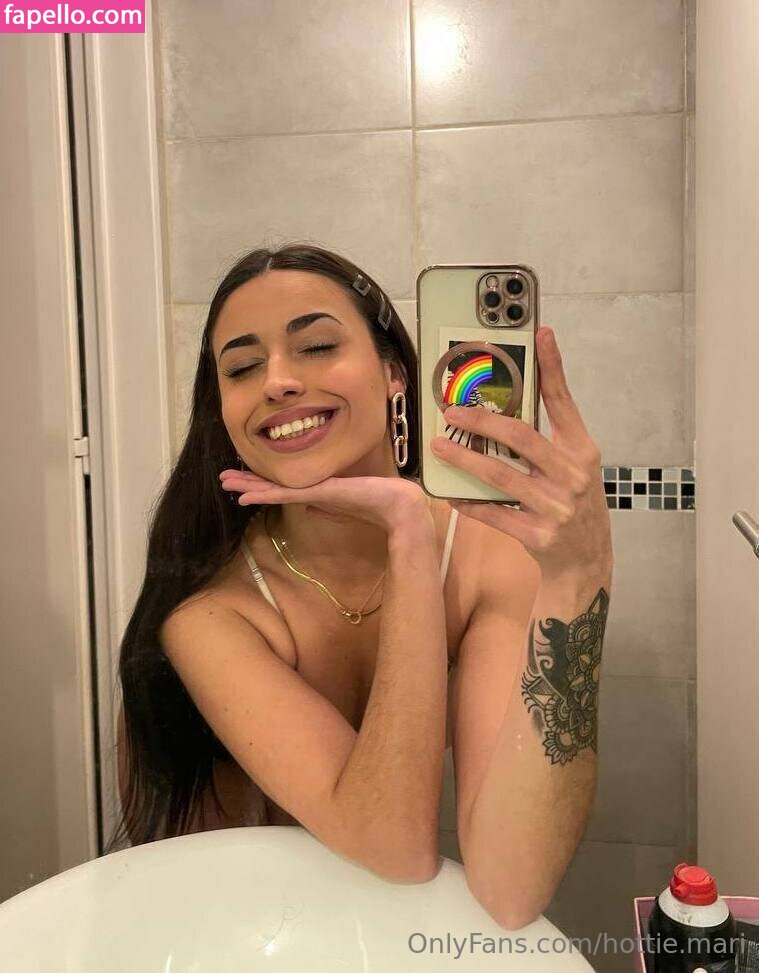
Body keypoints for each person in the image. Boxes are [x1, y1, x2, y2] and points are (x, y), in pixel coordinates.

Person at [108, 243, 613, 928]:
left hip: (370, 926)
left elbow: (512, 886)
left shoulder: (489, 560)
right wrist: (408, 532)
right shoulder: (214, 612)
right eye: (243, 367)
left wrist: (581, 575)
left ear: (395, 372)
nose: (277, 382)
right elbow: (395, 846)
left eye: (316, 346)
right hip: (221, 925)